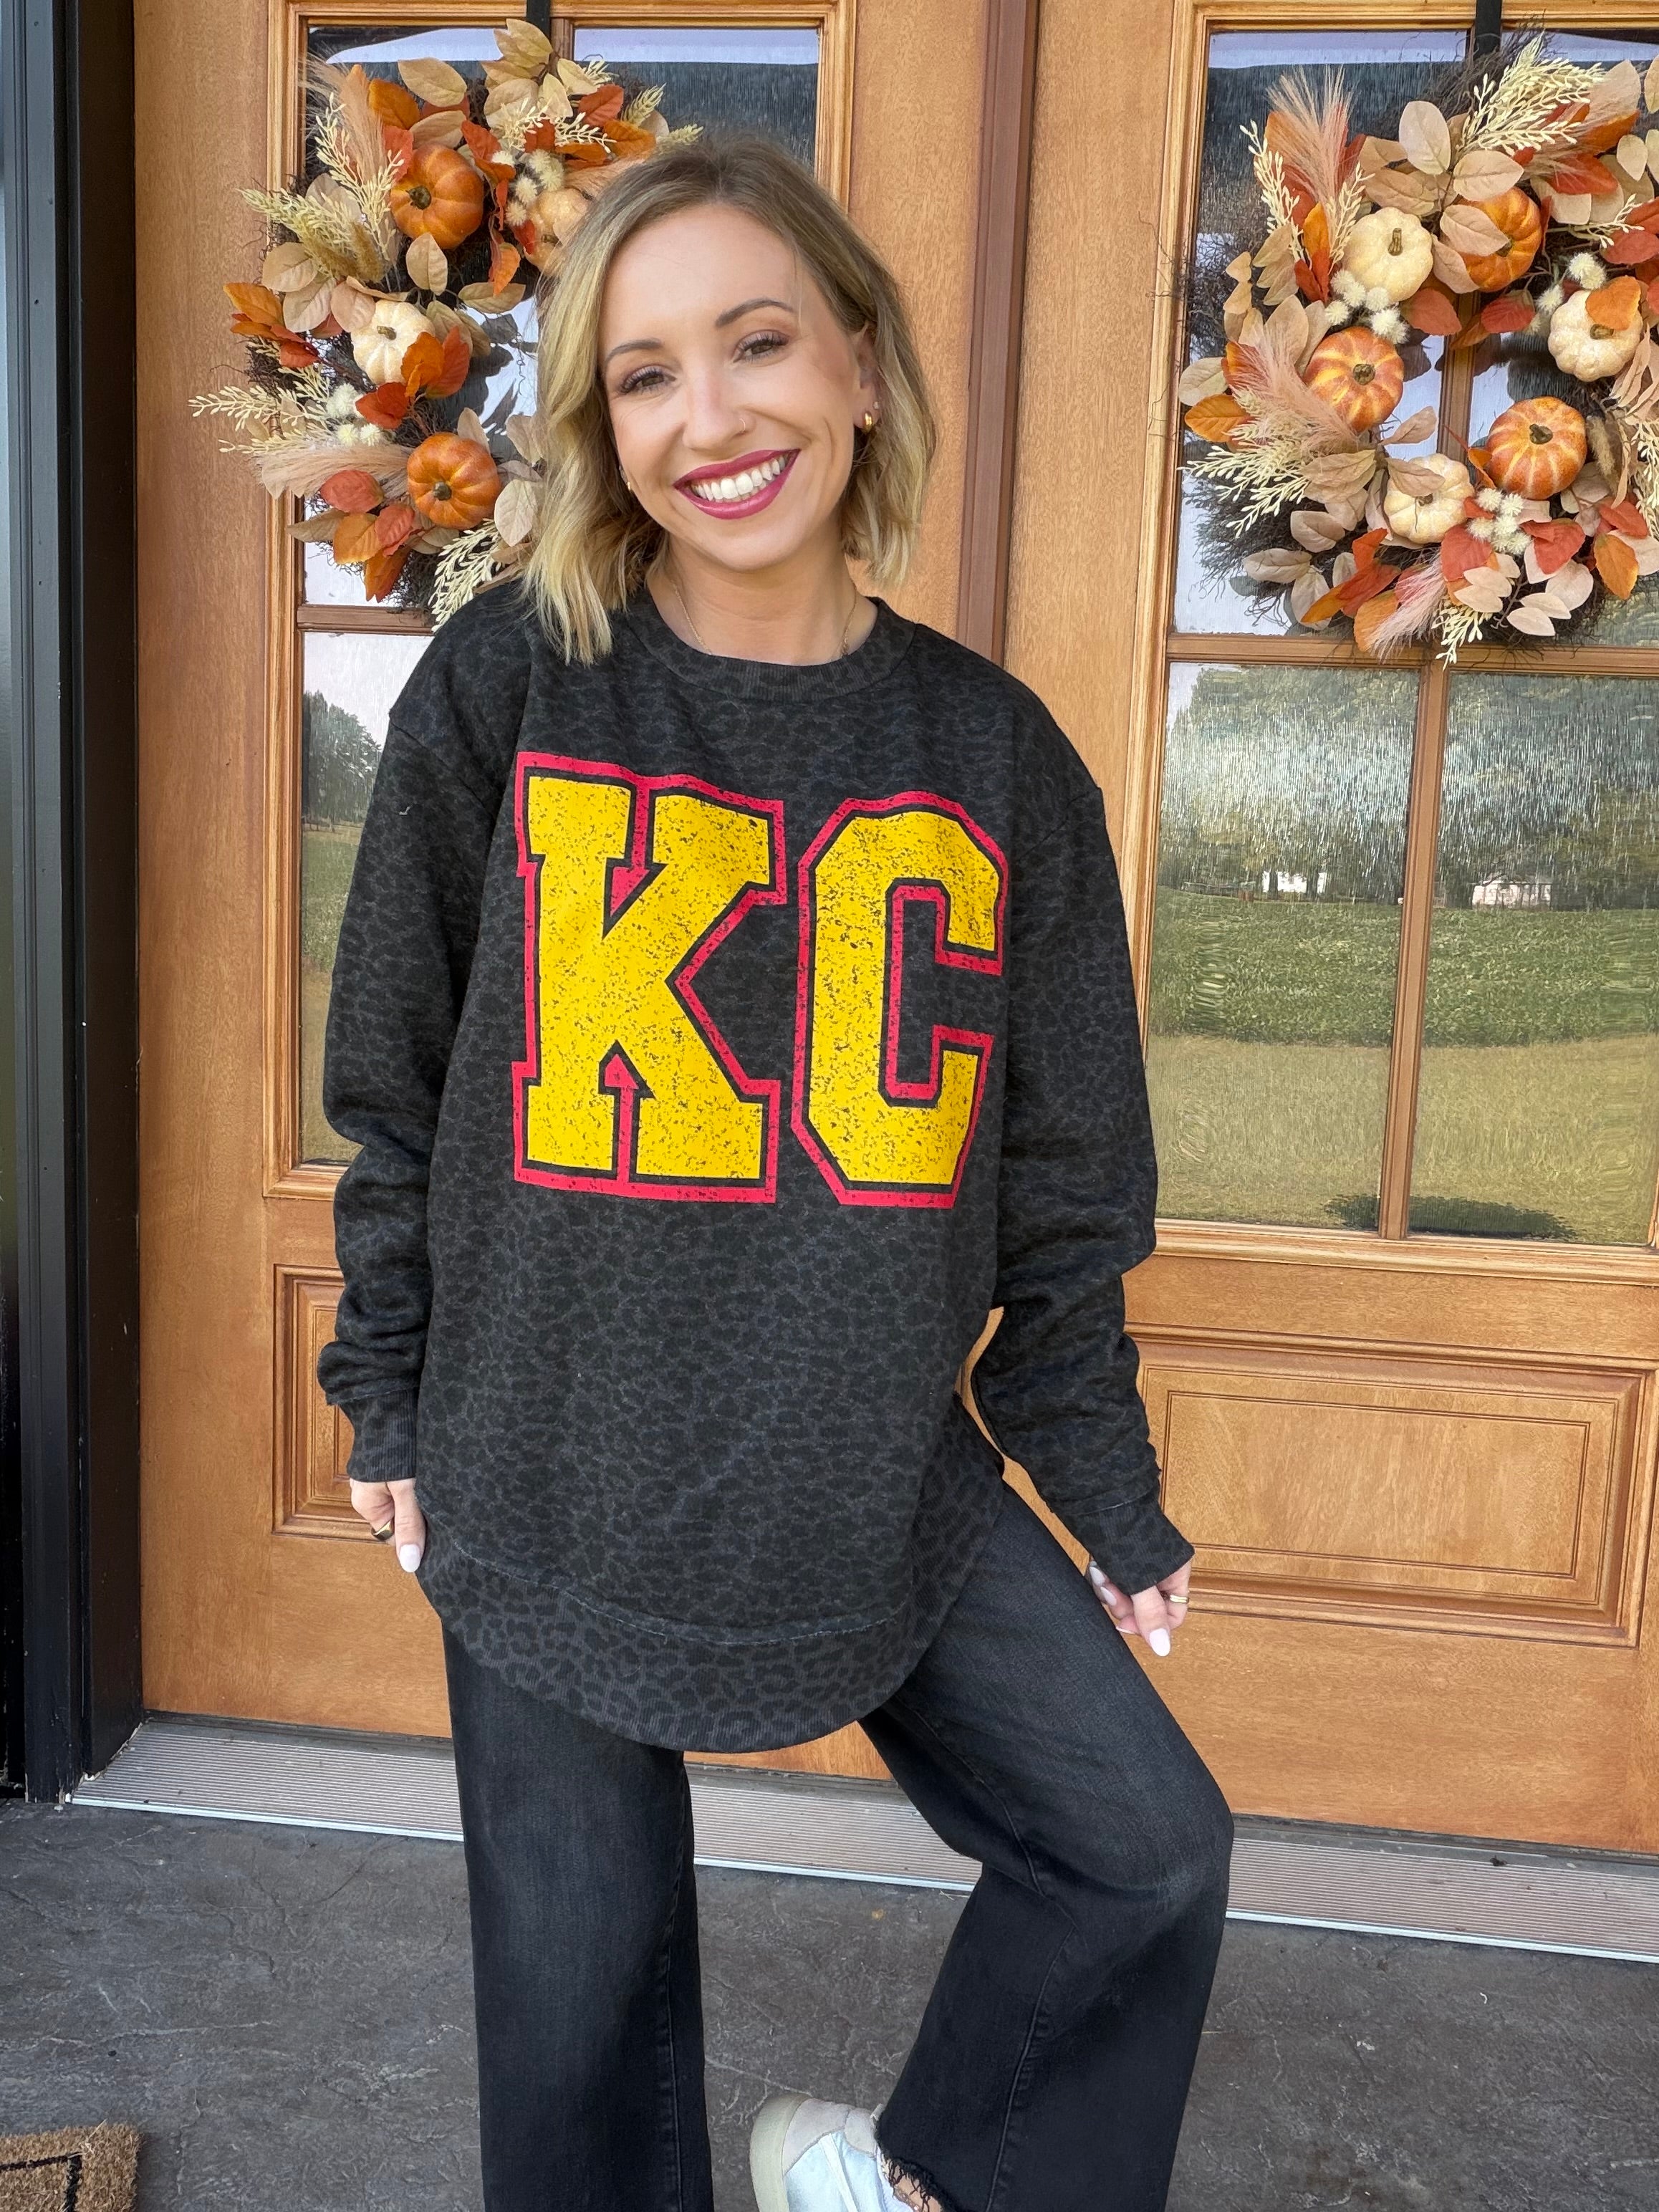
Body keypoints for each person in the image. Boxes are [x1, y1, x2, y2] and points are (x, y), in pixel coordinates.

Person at [319, 133, 1233, 2212]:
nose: (708, 417)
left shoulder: (994, 755)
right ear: (599, 425)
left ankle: (898, 2186)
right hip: (546, 1454)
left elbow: (1063, 1178)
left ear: (859, 366)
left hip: (867, 1453)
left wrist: (1098, 1478)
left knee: (1145, 1847)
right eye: (643, 374)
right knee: (579, 2022)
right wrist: (386, 1381)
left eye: (755, 343)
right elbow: (394, 1082)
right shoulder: (509, 687)